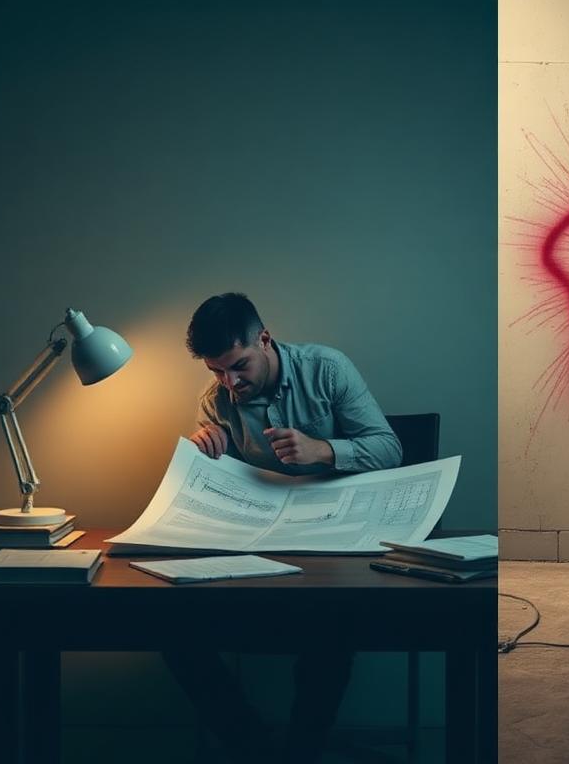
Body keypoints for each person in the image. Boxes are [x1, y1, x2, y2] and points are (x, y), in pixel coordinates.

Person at [165, 292, 402, 764]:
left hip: (335, 549)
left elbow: (389, 448)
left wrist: (323, 450)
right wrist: (206, 453)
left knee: (331, 634)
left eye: (239, 366)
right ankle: (251, 746)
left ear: (265, 339)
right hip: (259, 555)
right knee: (173, 632)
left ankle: (300, 752)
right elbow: (217, 490)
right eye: (216, 371)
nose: (230, 383)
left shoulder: (327, 369)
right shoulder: (216, 400)